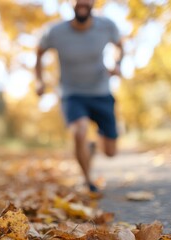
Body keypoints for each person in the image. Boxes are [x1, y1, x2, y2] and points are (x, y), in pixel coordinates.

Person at [35, 0, 124, 192]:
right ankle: (87, 180)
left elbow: (119, 46)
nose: (82, 2)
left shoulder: (107, 26)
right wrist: (39, 81)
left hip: (101, 92)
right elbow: (39, 53)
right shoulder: (55, 32)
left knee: (110, 152)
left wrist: (117, 64)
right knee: (79, 131)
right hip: (72, 93)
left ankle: (92, 146)